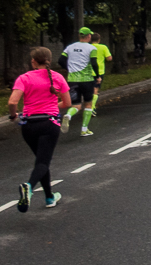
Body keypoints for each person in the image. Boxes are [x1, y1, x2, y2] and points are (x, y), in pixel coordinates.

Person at [8, 46, 71, 212]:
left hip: (29, 125)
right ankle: (29, 187)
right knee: (43, 162)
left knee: (41, 161)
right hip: (49, 123)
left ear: (33, 62)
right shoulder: (57, 77)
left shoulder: (24, 78)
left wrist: (14, 116)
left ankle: (50, 197)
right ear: (49, 60)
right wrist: (50, 106)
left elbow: (12, 102)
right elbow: (67, 104)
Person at [59, 27, 101, 136]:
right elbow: (94, 63)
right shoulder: (91, 48)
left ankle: (68, 115)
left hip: (72, 80)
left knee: (76, 105)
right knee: (88, 104)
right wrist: (97, 76)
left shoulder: (70, 47)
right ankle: (84, 129)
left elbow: (61, 60)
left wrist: (69, 68)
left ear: (79, 36)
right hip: (86, 80)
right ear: (88, 36)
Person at [90, 31, 113, 115]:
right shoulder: (103, 47)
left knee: (89, 89)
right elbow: (109, 58)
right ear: (99, 40)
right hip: (99, 71)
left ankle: (88, 106)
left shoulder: (88, 47)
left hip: (88, 71)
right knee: (95, 89)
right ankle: (92, 108)